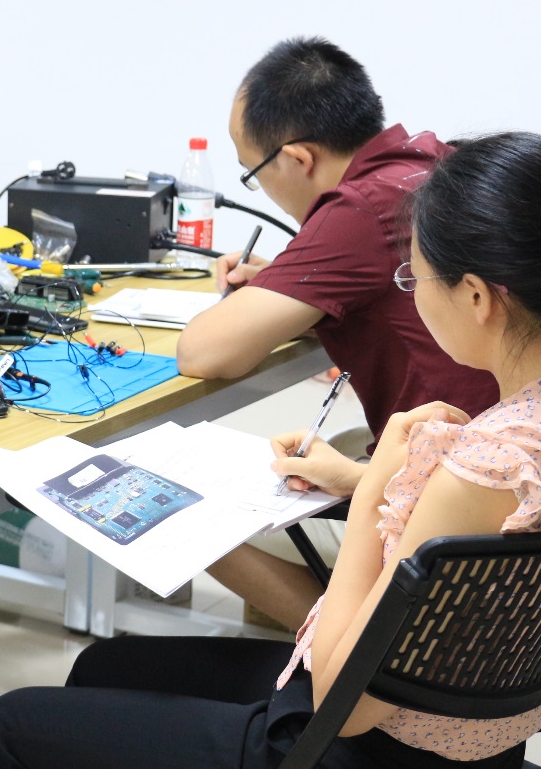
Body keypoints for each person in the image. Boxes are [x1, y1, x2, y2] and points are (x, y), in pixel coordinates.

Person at [0, 132, 541, 769]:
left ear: (477, 297)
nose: (410, 294)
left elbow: (345, 703)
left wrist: (374, 494)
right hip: (470, 727)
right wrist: (369, 476)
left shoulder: (487, 468)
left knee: (10, 722)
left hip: (356, 747)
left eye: (414, 277)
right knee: (106, 663)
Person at [177, 37, 499, 628]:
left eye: (253, 173)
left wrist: (288, 281)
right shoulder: (437, 162)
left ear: (298, 158)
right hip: (507, 479)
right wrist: (291, 281)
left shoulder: (361, 208)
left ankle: (359, 655)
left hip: (458, 516)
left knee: (188, 508)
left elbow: (201, 353)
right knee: (330, 445)